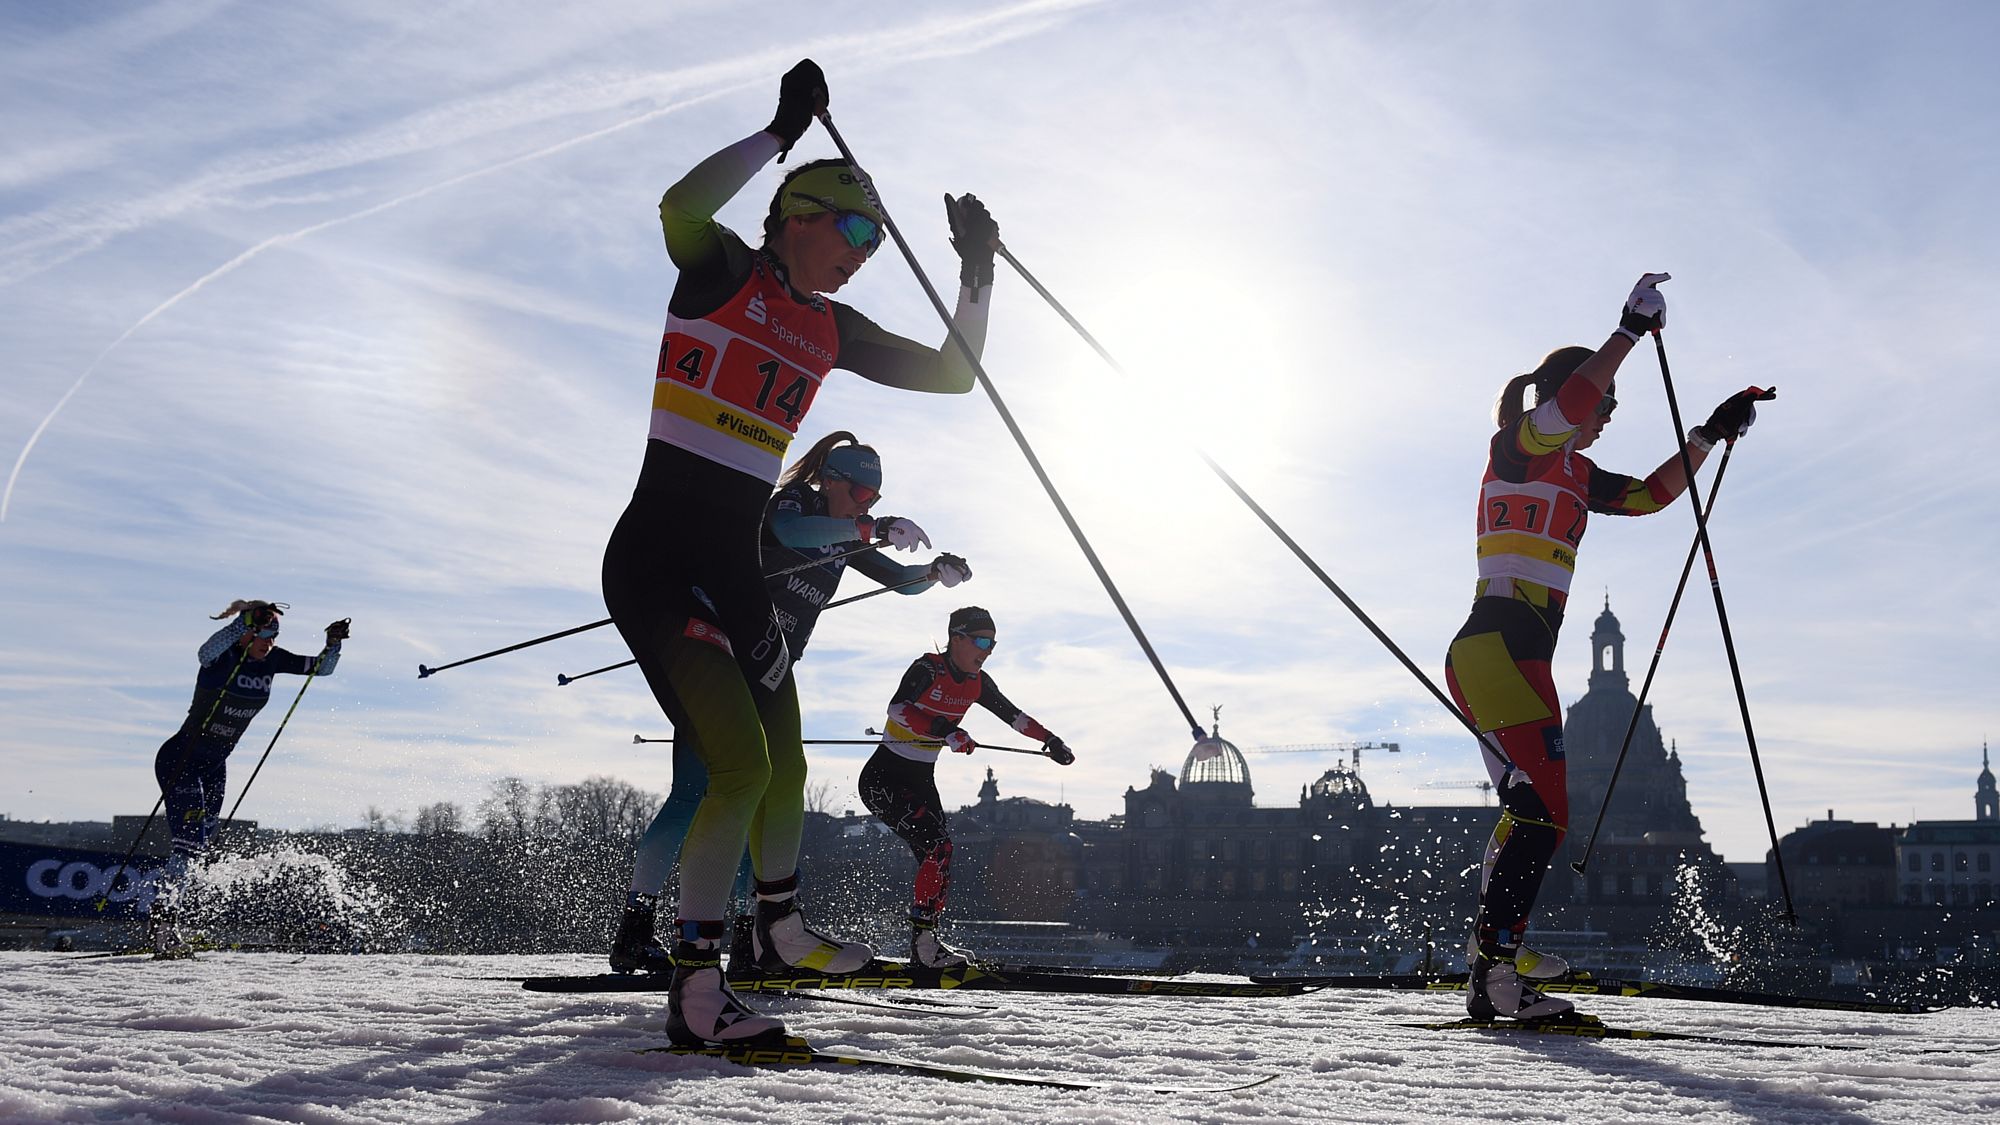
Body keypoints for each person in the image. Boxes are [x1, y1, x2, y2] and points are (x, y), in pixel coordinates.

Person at [599, 58, 1002, 1048]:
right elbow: (677, 209)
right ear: (796, 216)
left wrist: (975, 270)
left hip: (731, 574)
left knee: (781, 766)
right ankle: (696, 992)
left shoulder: (829, 328)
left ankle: (776, 932)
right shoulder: (724, 271)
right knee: (732, 770)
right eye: (852, 230)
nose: (862, 252)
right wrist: (778, 132)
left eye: (874, 240)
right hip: (658, 560)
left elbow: (953, 374)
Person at [1443, 273, 1771, 1020]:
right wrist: (1626, 331)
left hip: (1511, 657)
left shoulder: (1577, 475)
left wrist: (1710, 434)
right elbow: (1574, 405)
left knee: (1529, 808)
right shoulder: (1518, 448)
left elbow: (1655, 494)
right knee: (1542, 815)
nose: (1608, 418)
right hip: (1498, 652)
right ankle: (1497, 979)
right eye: (1608, 407)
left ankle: (1495, 947)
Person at [610, 430, 971, 974]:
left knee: (762, 790)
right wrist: (867, 527)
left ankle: (747, 937)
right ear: (831, 479)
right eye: (859, 493)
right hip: (721, 651)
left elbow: (899, 581)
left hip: (772, 664)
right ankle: (636, 930)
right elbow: (788, 529)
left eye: (874, 497)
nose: (866, 503)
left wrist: (933, 572)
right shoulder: (798, 502)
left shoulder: (848, 531)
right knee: (695, 790)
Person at [860, 606, 1074, 969]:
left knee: (939, 857)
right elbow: (898, 709)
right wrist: (947, 731)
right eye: (981, 640)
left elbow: (1015, 717)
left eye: (993, 642)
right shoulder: (928, 668)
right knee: (938, 847)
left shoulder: (978, 682)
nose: (988, 649)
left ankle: (925, 946)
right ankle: (925, 948)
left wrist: (1050, 740)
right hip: (886, 777)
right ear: (956, 639)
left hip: (921, 779)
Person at [149, 600, 347, 957]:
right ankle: (163, 925)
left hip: (214, 765)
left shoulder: (273, 659)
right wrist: (241, 626)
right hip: (181, 758)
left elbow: (323, 669)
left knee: (200, 847)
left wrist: (333, 644)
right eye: (264, 633)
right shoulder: (220, 658)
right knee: (188, 842)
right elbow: (203, 651)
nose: (269, 642)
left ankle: (173, 917)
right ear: (248, 631)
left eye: (275, 634)